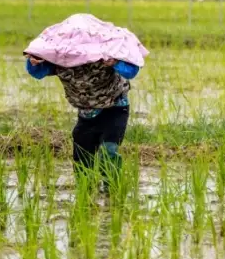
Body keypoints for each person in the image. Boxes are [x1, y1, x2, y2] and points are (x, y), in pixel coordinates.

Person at [25, 54, 140, 188]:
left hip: (114, 107)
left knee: (108, 151)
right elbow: (38, 73)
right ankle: (86, 194)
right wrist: (33, 63)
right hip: (86, 114)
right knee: (82, 160)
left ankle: (113, 191)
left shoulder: (106, 48)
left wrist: (116, 62)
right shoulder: (62, 55)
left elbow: (131, 71)